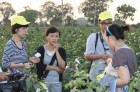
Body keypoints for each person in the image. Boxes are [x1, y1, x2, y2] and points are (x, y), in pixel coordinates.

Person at [99, 24, 137, 91]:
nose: (107, 43)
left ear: (110, 38)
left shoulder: (119, 54)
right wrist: (111, 62)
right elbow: (123, 69)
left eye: (106, 40)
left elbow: (125, 80)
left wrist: (108, 83)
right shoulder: (129, 50)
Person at [84, 11, 114, 81]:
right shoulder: (93, 37)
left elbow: (121, 56)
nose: (106, 25)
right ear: (99, 23)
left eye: (109, 23)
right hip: (96, 76)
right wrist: (100, 56)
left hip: (112, 76)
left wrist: (111, 57)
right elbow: (87, 56)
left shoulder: (117, 37)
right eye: (104, 23)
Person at [36, 27, 67, 92]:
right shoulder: (41, 49)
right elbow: (39, 66)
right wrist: (55, 68)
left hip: (57, 83)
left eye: (56, 36)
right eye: (51, 36)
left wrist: (56, 51)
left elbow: (62, 66)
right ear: (46, 37)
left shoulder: (61, 50)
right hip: (43, 82)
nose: (54, 38)